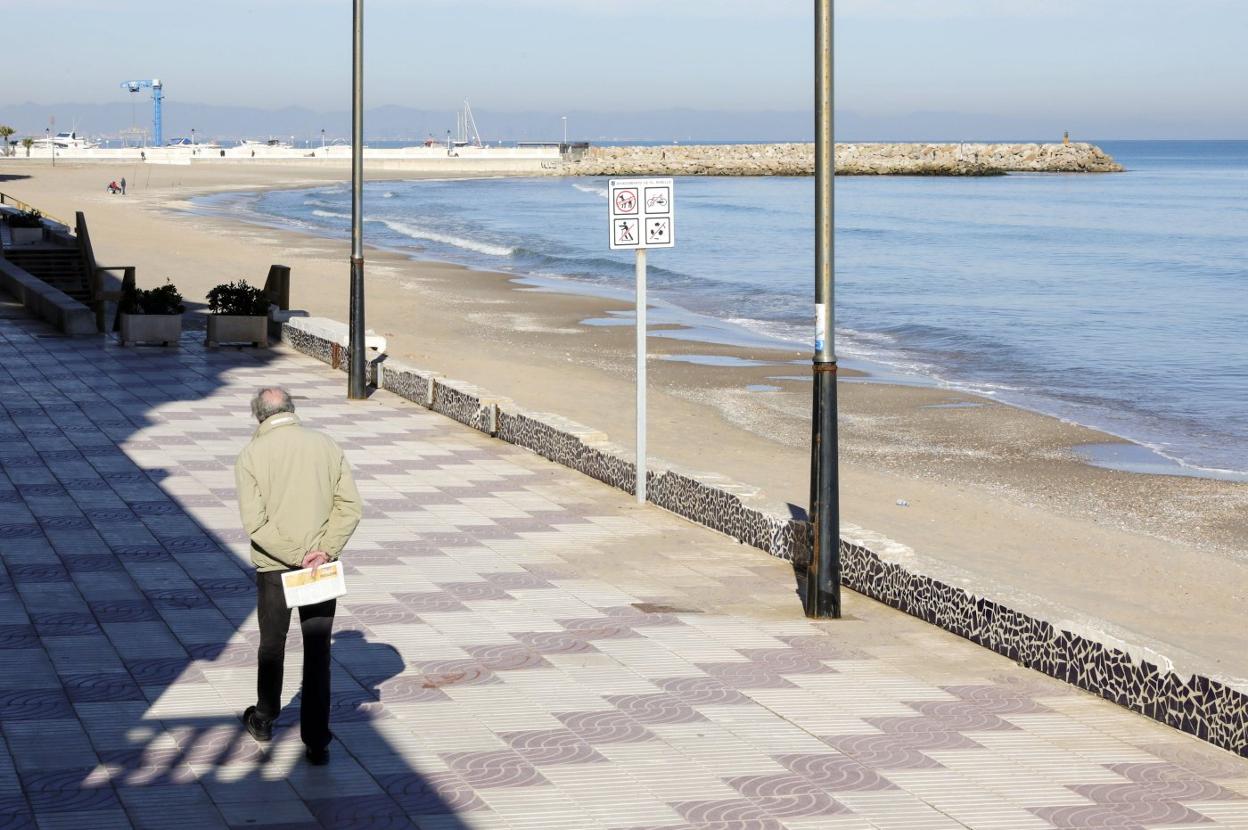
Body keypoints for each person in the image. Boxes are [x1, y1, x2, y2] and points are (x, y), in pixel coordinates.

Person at [235, 387, 362, 765]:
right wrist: (323, 551)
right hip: (320, 567)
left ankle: (265, 717)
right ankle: (317, 740)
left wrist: (294, 555)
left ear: (260, 416)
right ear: (291, 409)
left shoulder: (251, 455)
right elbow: (350, 506)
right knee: (318, 652)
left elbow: (254, 522)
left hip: (275, 567)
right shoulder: (326, 444)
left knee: (272, 645)